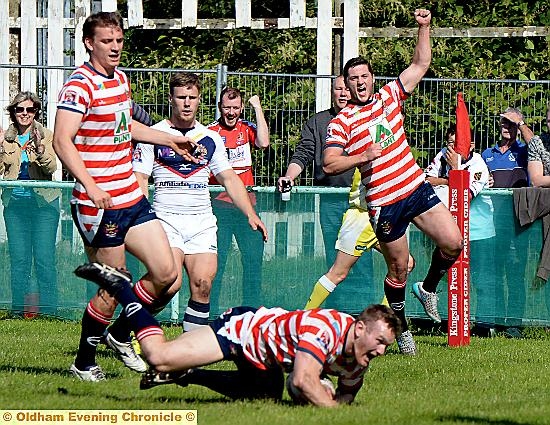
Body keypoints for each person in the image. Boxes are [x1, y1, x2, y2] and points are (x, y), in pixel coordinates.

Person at [52, 11, 198, 381]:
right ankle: (84, 362)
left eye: (118, 41)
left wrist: (169, 139)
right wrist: (91, 184)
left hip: (130, 195)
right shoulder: (79, 85)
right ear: (89, 43)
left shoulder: (120, 79)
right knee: (113, 285)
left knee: (167, 274)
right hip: (97, 203)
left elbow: (125, 125)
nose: (115, 47)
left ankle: (119, 334)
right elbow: (61, 140)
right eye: (107, 41)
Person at [322, 9, 463, 355]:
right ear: (347, 84)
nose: (360, 82)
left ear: (372, 77)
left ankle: (428, 288)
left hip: (414, 187)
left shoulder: (389, 96)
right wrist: (362, 156)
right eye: (353, 78)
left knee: (454, 243)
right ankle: (401, 328)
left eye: (364, 76)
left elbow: (420, 64)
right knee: (398, 269)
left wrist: (425, 26)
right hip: (385, 202)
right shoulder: (342, 122)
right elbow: (329, 162)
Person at [73, 261, 401, 407]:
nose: (382, 352)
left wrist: (329, 399)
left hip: (268, 357)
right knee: (158, 357)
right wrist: (321, 400)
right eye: (380, 342)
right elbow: (302, 381)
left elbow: (343, 400)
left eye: (386, 346)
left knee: (264, 398)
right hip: (243, 332)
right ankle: (121, 287)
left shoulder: (359, 361)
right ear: (359, 328)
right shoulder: (326, 329)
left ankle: (190, 374)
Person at [131, 72, 268, 332]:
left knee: (203, 284)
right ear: (170, 98)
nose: (186, 103)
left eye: (192, 97)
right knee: (169, 283)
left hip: (202, 221)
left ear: (199, 100)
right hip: (165, 220)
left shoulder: (210, 138)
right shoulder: (154, 135)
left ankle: (189, 352)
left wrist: (250, 213)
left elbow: (228, 177)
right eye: (181, 97)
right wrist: (142, 215)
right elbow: (140, 177)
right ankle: (123, 329)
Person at [304, 169, 416, 310]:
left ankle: (383, 319)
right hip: (362, 219)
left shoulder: (390, 153)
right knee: (338, 273)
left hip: (382, 218)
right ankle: (301, 318)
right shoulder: (369, 152)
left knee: (406, 263)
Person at [425, 125, 497, 336]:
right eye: (449, 144)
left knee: (481, 280)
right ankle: (449, 323)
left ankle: (483, 326)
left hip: (479, 230)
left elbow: (465, 194)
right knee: (451, 279)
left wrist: (454, 172)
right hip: (451, 230)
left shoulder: (479, 166)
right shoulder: (442, 157)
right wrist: (451, 178)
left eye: (456, 145)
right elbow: (426, 180)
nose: (451, 149)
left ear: (471, 145)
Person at [278, 76, 353, 265]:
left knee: (360, 257)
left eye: (347, 89)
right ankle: (336, 295)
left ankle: (364, 295)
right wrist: (289, 177)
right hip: (329, 199)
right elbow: (303, 153)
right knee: (333, 256)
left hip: (358, 199)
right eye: (338, 89)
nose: (343, 93)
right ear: (331, 92)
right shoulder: (318, 122)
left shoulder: (363, 119)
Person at [207, 87, 269, 309]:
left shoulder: (247, 128)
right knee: (217, 262)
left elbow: (263, 142)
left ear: (241, 108)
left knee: (253, 262)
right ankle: (209, 311)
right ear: (220, 108)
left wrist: (257, 108)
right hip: (219, 207)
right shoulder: (211, 132)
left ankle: (251, 311)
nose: (231, 113)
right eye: (227, 108)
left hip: (247, 209)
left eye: (235, 108)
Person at [0, 91, 59, 316]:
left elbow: (51, 168)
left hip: (44, 204)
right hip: (15, 205)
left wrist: (40, 149)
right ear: (13, 113)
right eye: (20, 109)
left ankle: (50, 311)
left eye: (30, 109)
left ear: (36, 112)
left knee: (44, 259)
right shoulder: (6, 138)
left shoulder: (47, 135)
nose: (25, 114)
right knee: (19, 259)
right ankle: (17, 311)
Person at [481, 108, 533, 337]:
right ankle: (493, 321)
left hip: (518, 222)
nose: (506, 126)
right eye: (503, 122)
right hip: (492, 223)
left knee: (515, 273)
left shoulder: (525, 152)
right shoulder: (487, 154)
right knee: (492, 272)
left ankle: (514, 325)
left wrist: (520, 123)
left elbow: (537, 147)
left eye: (510, 123)